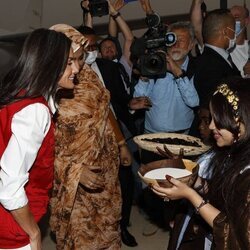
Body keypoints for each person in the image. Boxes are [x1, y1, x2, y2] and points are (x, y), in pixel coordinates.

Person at [49, 24, 129, 249]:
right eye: (71, 59)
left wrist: (122, 144)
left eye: (81, 58)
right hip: (75, 181)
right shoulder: (51, 88)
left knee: (109, 229)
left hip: (105, 172)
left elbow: (105, 112)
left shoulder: (88, 77)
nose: (78, 65)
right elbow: (42, 147)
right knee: (81, 238)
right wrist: (75, 171)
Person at [0, 28, 78, 250]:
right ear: (49, 63)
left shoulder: (19, 95)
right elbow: (9, 186)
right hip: (12, 228)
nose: (77, 68)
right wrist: (33, 232)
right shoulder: (36, 110)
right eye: (70, 62)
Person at [152, 78, 250, 249]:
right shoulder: (232, 152)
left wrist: (191, 195)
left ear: (240, 120)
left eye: (217, 119)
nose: (211, 126)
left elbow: (233, 232)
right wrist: (194, 181)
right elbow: (224, 194)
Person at [133, 21, 199, 135]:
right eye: (172, 40)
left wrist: (177, 72)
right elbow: (138, 98)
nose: (176, 44)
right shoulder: (155, 63)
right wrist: (146, 71)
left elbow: (193, 102)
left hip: (183, 136)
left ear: (191, 45)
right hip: (151, 135)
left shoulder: (197, 67)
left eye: (181, 40)